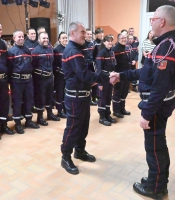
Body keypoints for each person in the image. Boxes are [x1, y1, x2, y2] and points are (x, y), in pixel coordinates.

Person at [112, 6, 175, 199]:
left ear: (162, 21)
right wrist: (121, 75)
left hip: (157, 106)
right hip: (159, 103)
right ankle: (157, 180)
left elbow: (159, 87)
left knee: (155, 147)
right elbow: (147, 73)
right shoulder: (165, 43)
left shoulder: (167, 45)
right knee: (157, 144)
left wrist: (146, 113)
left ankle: (156, 188)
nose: (151, 22)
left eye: (153, 19)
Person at [60, 22, 102, 175]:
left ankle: (80, 151)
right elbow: (84, 75)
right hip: (75, 97)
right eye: (82, 32)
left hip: (83, 95)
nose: (85, 34)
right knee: (73, 127)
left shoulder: (79, 49)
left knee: (83, 126)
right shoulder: (72, 51)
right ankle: (65, 157)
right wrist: (103, 78)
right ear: (72, 33)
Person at [7, 30, 40, 134]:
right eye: (19, 37)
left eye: (22, 37)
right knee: (17, 101)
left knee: (29, 100)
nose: (21, 38)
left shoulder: (27, 49)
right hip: (17, 80)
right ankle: (17, 123)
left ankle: (29, 120)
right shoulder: (11, 52)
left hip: (28, 80)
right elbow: (9, 67)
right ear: (14, 38)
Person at [32, 32, 60, 126]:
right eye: (43, 38)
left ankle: (50, 114)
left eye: (47, 38)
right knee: (41, 98)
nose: (46, 40)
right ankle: (40, 117)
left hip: (49, 77)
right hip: (40, 78)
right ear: (39, 40)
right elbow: (33, 66)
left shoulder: (50, 49)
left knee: (50, 96)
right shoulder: (35, 51)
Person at [95, 35, 116, 126]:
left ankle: (107, 115)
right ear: (104, 42)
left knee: (108, 97)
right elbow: (99, 70)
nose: (110, 43)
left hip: (110, 79)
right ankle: (102, 117)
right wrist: (99, 83)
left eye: (111, 41)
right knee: (102, 98)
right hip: (103, 79)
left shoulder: (111, 52)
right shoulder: (101, 53)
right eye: (108, 41)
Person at [112, 33, 131, 118]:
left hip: (126, 74)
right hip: (118, 74)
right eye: (122, 38)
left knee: (124, 92)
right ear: (118, 39)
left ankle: (122, 109)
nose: (124, 39)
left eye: (125, 38)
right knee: (117, 93)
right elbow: (113, 64)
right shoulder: (115, 49)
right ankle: (116, 111)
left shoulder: (126, 48)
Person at [53, 32, 68, 118]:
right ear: (59, 39)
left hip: (68, 75)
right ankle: (59, 110)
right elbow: (54, 64)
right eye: (63, 38)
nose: (65, 39)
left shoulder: (69, 49)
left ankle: (66, 108)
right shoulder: (56, 50)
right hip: (59, 75)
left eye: (66, 38)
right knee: (60, 93)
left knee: (66, 92)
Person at [83, 28, 96, 105]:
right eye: (88, 34)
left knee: (93, 82)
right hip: (85, 66)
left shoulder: (92, 44)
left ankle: (94, 98)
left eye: (90, 34)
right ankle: (88, 98)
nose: (89, 35)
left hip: (92, 65)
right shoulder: (82, 44)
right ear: (85, 35)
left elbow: (94, 55)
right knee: (87, 83)